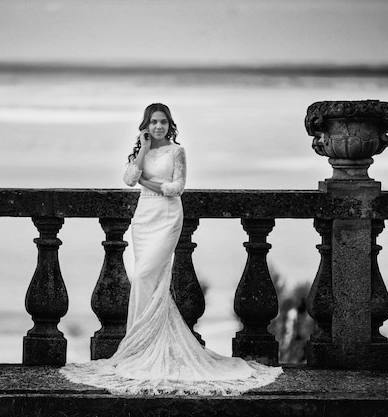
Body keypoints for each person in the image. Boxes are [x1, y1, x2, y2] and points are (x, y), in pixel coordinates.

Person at [60, 103, 282, 395]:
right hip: (143, 219)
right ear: (146, 125)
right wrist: (141, 149)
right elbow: (128, 179)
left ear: (170, 125)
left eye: (163, 122)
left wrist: (146, 181)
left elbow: (176, 188)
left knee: (144, 277)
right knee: (146, 280)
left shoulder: (178, 152)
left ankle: (139, 344)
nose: (158, 127)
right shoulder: (144, 151)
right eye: (153, 122)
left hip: (167, 217)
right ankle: (140, 348)